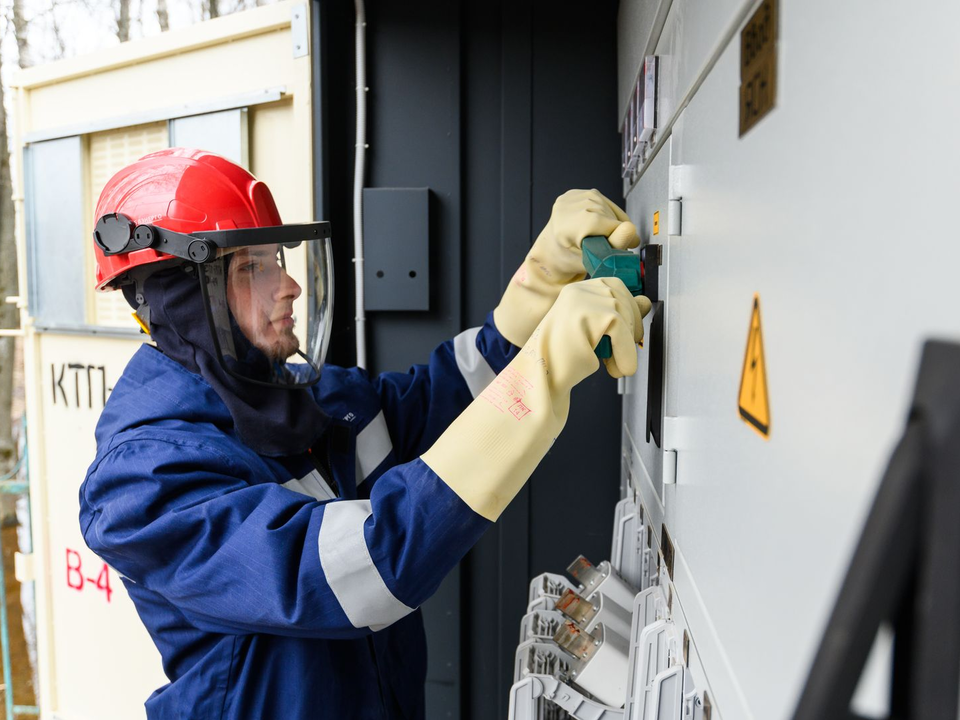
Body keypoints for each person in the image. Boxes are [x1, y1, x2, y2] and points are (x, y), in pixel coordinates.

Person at [79, 147, 650, 719]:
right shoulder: (145, 485)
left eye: (277, 258)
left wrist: (536, 295)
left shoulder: (309, 400)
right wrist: (540, 376)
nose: (289, 287)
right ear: (182, 302)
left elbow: (441, 400)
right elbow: (364, 568)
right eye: (251, 267)